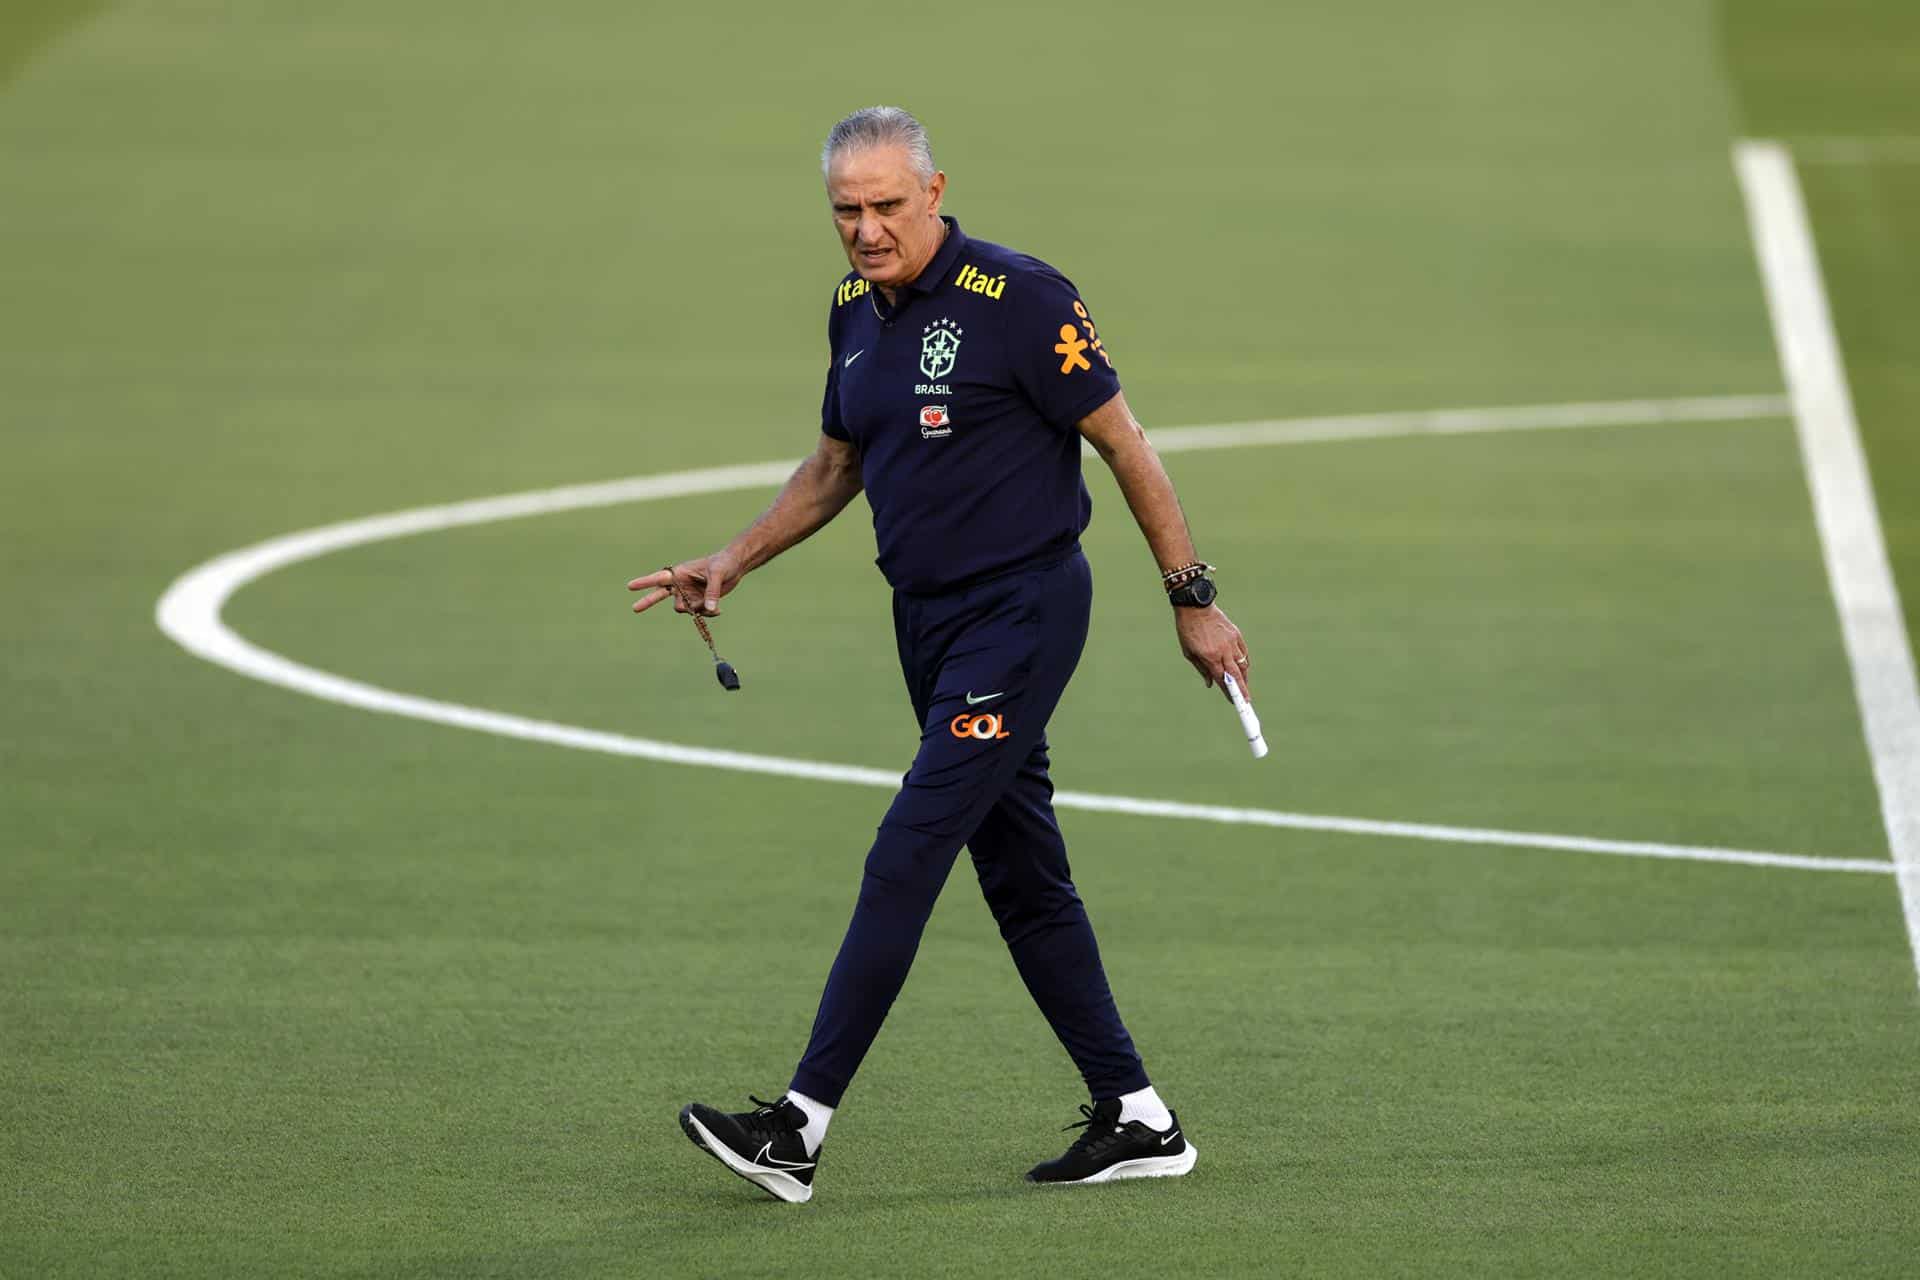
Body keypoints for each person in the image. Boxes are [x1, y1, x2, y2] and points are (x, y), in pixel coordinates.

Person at [628, 106, 1252, 1203]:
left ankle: (797, 1128)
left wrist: (1191, 600)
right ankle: (1139, 1117)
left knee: (907, 849)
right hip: (925, 623)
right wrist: (733, 559)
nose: (866, 230)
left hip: (1022, 613)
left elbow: (1126, 444)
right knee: (1022, 873)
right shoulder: (852, 311)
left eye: (886, 205)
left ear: (934, 192)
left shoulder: (1023, 299)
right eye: (846, 210)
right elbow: (836, 465)